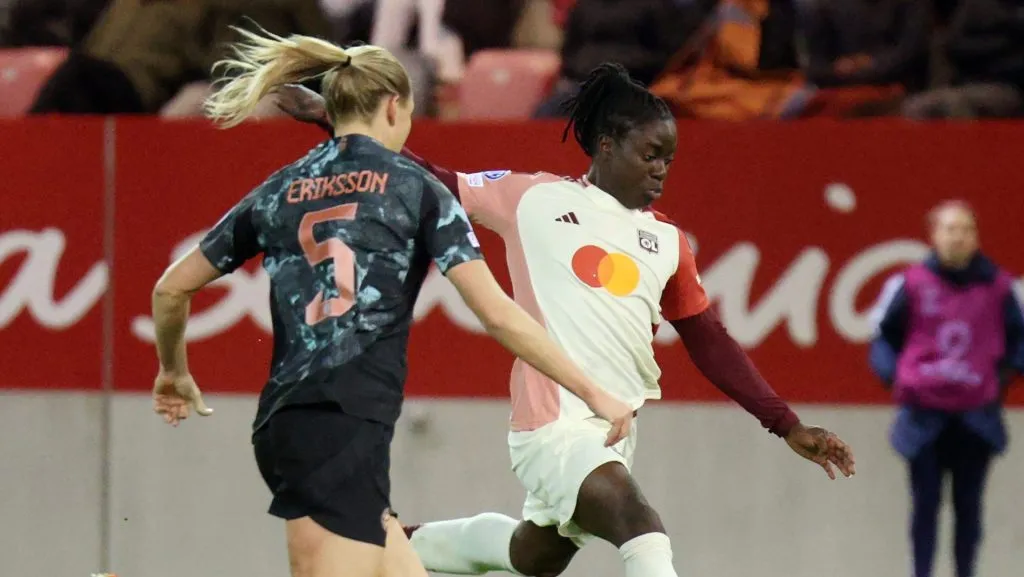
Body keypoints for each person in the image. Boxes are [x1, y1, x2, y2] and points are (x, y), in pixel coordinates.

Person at [277, 63, 856, 577]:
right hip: (551, 429)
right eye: (649, 154)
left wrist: (786, 424)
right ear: (606, 146)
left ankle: (405, 544)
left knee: (534, 556)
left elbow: (709, 341)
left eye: (669, 160)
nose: (661, 171)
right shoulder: (532, 199)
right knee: (641, 527)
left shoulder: (668, 242)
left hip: (613, 430)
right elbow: (434, 181)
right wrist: (337, 122)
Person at [149, 27, 635, 577]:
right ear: (394, 105)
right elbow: (497, 313)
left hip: (302, 420)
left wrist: (173, 370)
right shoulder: (417, 190)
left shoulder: (282, 187)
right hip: (341, 421)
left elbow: (170, 289)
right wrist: (594, 391)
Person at [869, 200, 1023, 577]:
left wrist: (999, 380)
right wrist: (896, 377)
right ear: (934, 235)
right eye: (950, 229)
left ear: (976, 236)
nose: (958, 237)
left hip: (976, 416)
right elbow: (884, 339)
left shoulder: (1000, 287)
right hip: (923, 415)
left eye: (966, 229)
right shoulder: (909, 284)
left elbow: (1020, 341)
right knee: (925, 505)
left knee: (969, 506)